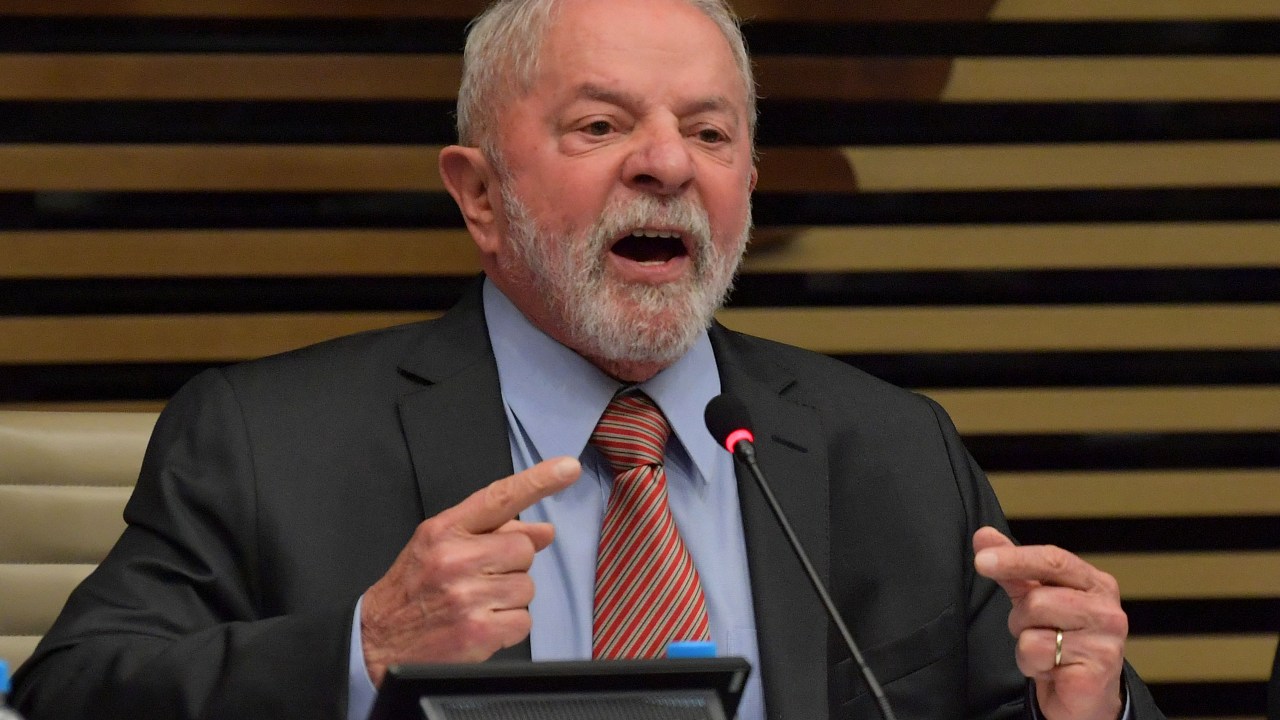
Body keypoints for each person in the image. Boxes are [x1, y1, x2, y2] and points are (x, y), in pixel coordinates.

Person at [12, 0, 1166, 718]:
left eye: (710, 134)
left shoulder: (888, 450)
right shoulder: (270, 444)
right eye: (602, 126)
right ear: (477, 195)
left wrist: (1091, 709)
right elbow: (69, 696)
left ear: (747, 189)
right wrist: (363, 649)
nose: (667, 163)